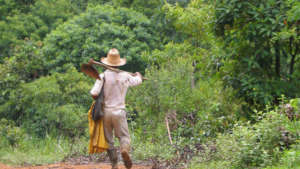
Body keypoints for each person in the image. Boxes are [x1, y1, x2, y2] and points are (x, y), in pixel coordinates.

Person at [90, 48, 143, 169]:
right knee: (124, 137)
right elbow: (138, 81)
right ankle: (124, 150)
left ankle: (114, 165)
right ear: (119, 63)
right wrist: (139, 75)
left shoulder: (102, 76)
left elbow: (93, 93)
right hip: (119, 111)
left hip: (106, 112)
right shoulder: (125, 76)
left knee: (109, 140)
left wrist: (100, 98)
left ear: (107, 62)